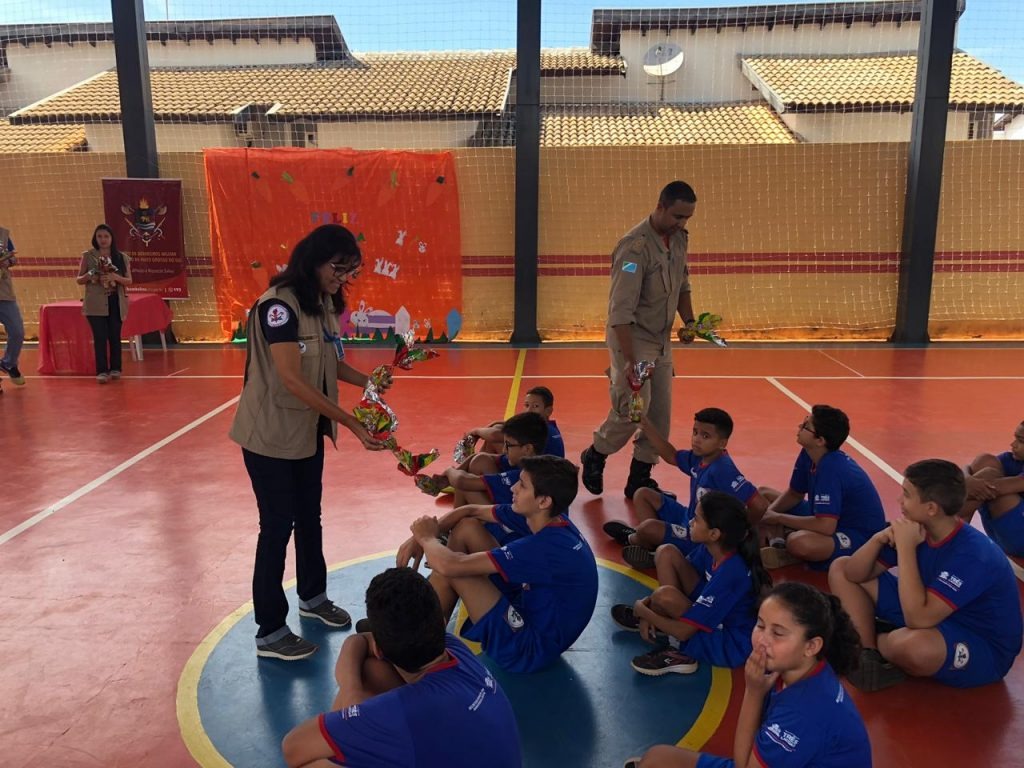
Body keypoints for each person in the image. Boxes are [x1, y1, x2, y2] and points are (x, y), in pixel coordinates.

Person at [229, 224, 389, 661]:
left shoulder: (319, 305)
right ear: (313, 260)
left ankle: (313, 597)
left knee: (310, 517)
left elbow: (332, 363)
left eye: (349, 271)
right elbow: (292, 380)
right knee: (277, 527)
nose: (342, 278)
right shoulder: (278, 307)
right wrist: (354, 425)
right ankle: (270, 631)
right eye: (338, 268)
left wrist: (370, 381)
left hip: (304, 434)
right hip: (269, 437)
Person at [281, 567, 522, 768]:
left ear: (380, 649)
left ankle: (348, 734)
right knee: (370, 672)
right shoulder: (453, 648)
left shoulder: (398, 712)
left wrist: (348, 700)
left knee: (314, 763)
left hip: (410, 719)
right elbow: (358, 640)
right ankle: (349, 730)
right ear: (442, 622)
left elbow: (293, 748)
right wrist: (352, 689)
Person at [624, 582, 871, 768]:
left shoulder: (804, 711)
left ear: (811, 646)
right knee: (658, 758)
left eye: (778, 633)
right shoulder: (803, 668)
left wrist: (753, 691)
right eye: (761, 625)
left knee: (657, 762)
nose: (762, 640)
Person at [829, 459, 1023, 691]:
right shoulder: (918, 527)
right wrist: (878, 538)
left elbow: (918, 620)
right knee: (840, 567)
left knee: (915, 648)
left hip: (981, 646)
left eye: (907, 494)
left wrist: (906, 548)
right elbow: (853, 573)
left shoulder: (973, 554)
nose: (900, 501)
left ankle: (869, 634)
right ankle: (869, 654)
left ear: (931, 508)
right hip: (931, 612)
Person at [397, 455, 598, 673]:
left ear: (543, 501)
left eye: (522, 485)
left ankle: (417, 646)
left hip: (529, 648)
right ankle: (423, 622)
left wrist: (426, 538)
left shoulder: (545, 547)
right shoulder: (548, 517)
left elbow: (451, 565)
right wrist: (418, 539)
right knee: (467, 528)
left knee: (453, 570)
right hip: (531, 606)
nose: (513, 488)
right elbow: (468, 511)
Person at [581, 181, 699, 500]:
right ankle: (597, 452)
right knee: (634, 407)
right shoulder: (634, 248)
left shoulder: (678, 241)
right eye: (677, 216)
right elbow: (619, 312)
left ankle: (640, 477)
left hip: (661, 342)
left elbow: (683, 286)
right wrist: (630, 362)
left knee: (660, 412)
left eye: (687, 218)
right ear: (660, 206)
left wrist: (689, 322)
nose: (681, 223)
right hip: (633, 339)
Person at [612, 491, 772, 676]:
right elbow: (681, 576)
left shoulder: (732, 571)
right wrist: (652, 606)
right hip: (717, 618)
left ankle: (679, 651)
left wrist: (643, 610)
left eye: (696, 519)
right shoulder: (713, 549)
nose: (690, 523)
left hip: (728, 642)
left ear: (714, 534)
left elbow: (684, 631)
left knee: (665, 597)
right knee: (666, 552)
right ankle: (662, 620)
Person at [603, 409, 768, 570]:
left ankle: (635, 540)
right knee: (642, 494)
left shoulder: (723, 470)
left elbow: (759, 505)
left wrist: (735, 535)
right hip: (688, 517)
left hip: (697, 535)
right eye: (695, 432)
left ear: (722, 443)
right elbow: (671, 455)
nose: (697, 439)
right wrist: (645, 425)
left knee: (648, 528)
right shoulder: (700, 458)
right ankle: (653, 547)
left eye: (705, 436)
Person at [758, 405, 886, 570]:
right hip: (828, 518)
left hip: (856, 534)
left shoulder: (831, 468)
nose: (799, 427)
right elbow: (794, 493)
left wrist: (777, 518)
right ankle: (783, 537)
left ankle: (788, 544)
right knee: (763, 494)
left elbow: (826, 526)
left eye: (805, 427)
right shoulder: (809, 453)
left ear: (820, 440)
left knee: (800, 543)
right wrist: (767, 517)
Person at [437, 411, 548, 507]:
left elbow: (463, 481)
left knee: (465, 494)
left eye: (508, 445)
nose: (504, 450)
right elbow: (479, 457)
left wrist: (449, 471)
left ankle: (456, 526)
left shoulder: (522, 475)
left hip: (508, 525)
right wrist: (453, 474)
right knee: (480, 460)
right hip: (509, 512)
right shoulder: (528, 461)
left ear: (527, 448)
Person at [75, 224, 132, 384]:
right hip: (95, 303)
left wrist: (115, 278)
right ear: (95, 238)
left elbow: (129, 280)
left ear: (112, 239)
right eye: (99, 236)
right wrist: (91, 275)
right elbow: (79, 279)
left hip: (115, 301)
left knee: (115, 336)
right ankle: (101, 371)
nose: (103, 240)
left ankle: (116, 368)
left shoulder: (121, 257)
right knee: (100, 337)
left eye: (106, 236)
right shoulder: (88, 256)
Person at [958, 421, 1024, 555]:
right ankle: (952, 530)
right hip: (1004, 534)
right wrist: (968, 479)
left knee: (990, 482)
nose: (1013, 445)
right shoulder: (1013, 459)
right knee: (985, 461)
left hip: (1020, 542)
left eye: (1021, 441)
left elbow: (998, 487)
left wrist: (967, 483)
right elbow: (968, 469)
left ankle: (947, 530)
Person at [466, 386, 565, 469]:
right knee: (496, 428)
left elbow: (494, 435)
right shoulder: (548, 426)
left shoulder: (536, 429)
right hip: (545, 470)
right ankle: (478, 472)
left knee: (484, 454)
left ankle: (482, 478)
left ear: (548, 411)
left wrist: (475, 431)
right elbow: (509, 426)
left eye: (535, 406)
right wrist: (494, 423)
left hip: (538, 475)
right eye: (526, 405)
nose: (529, 410)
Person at [0, 224, 25, 389]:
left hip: (5, 293)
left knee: (17, 331)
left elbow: (13, 258)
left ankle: (8, 363)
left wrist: (8, 261)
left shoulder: (3, 235)